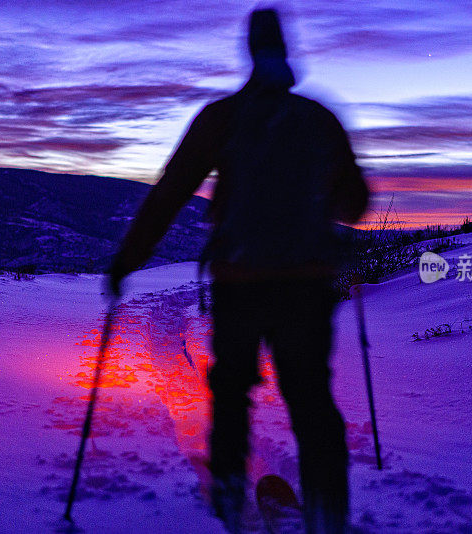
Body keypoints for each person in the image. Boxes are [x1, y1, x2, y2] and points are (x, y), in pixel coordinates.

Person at [108, 8, 369, 533]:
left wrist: (126, 262)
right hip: (307, 280)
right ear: (287, 53)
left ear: (250, 53)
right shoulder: (318, 118)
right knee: (310, 395)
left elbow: (169, 194)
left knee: (231, 388)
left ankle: (228, 494)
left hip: (240, 281)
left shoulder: (222, 116)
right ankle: (328, 511)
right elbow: (356, 204)